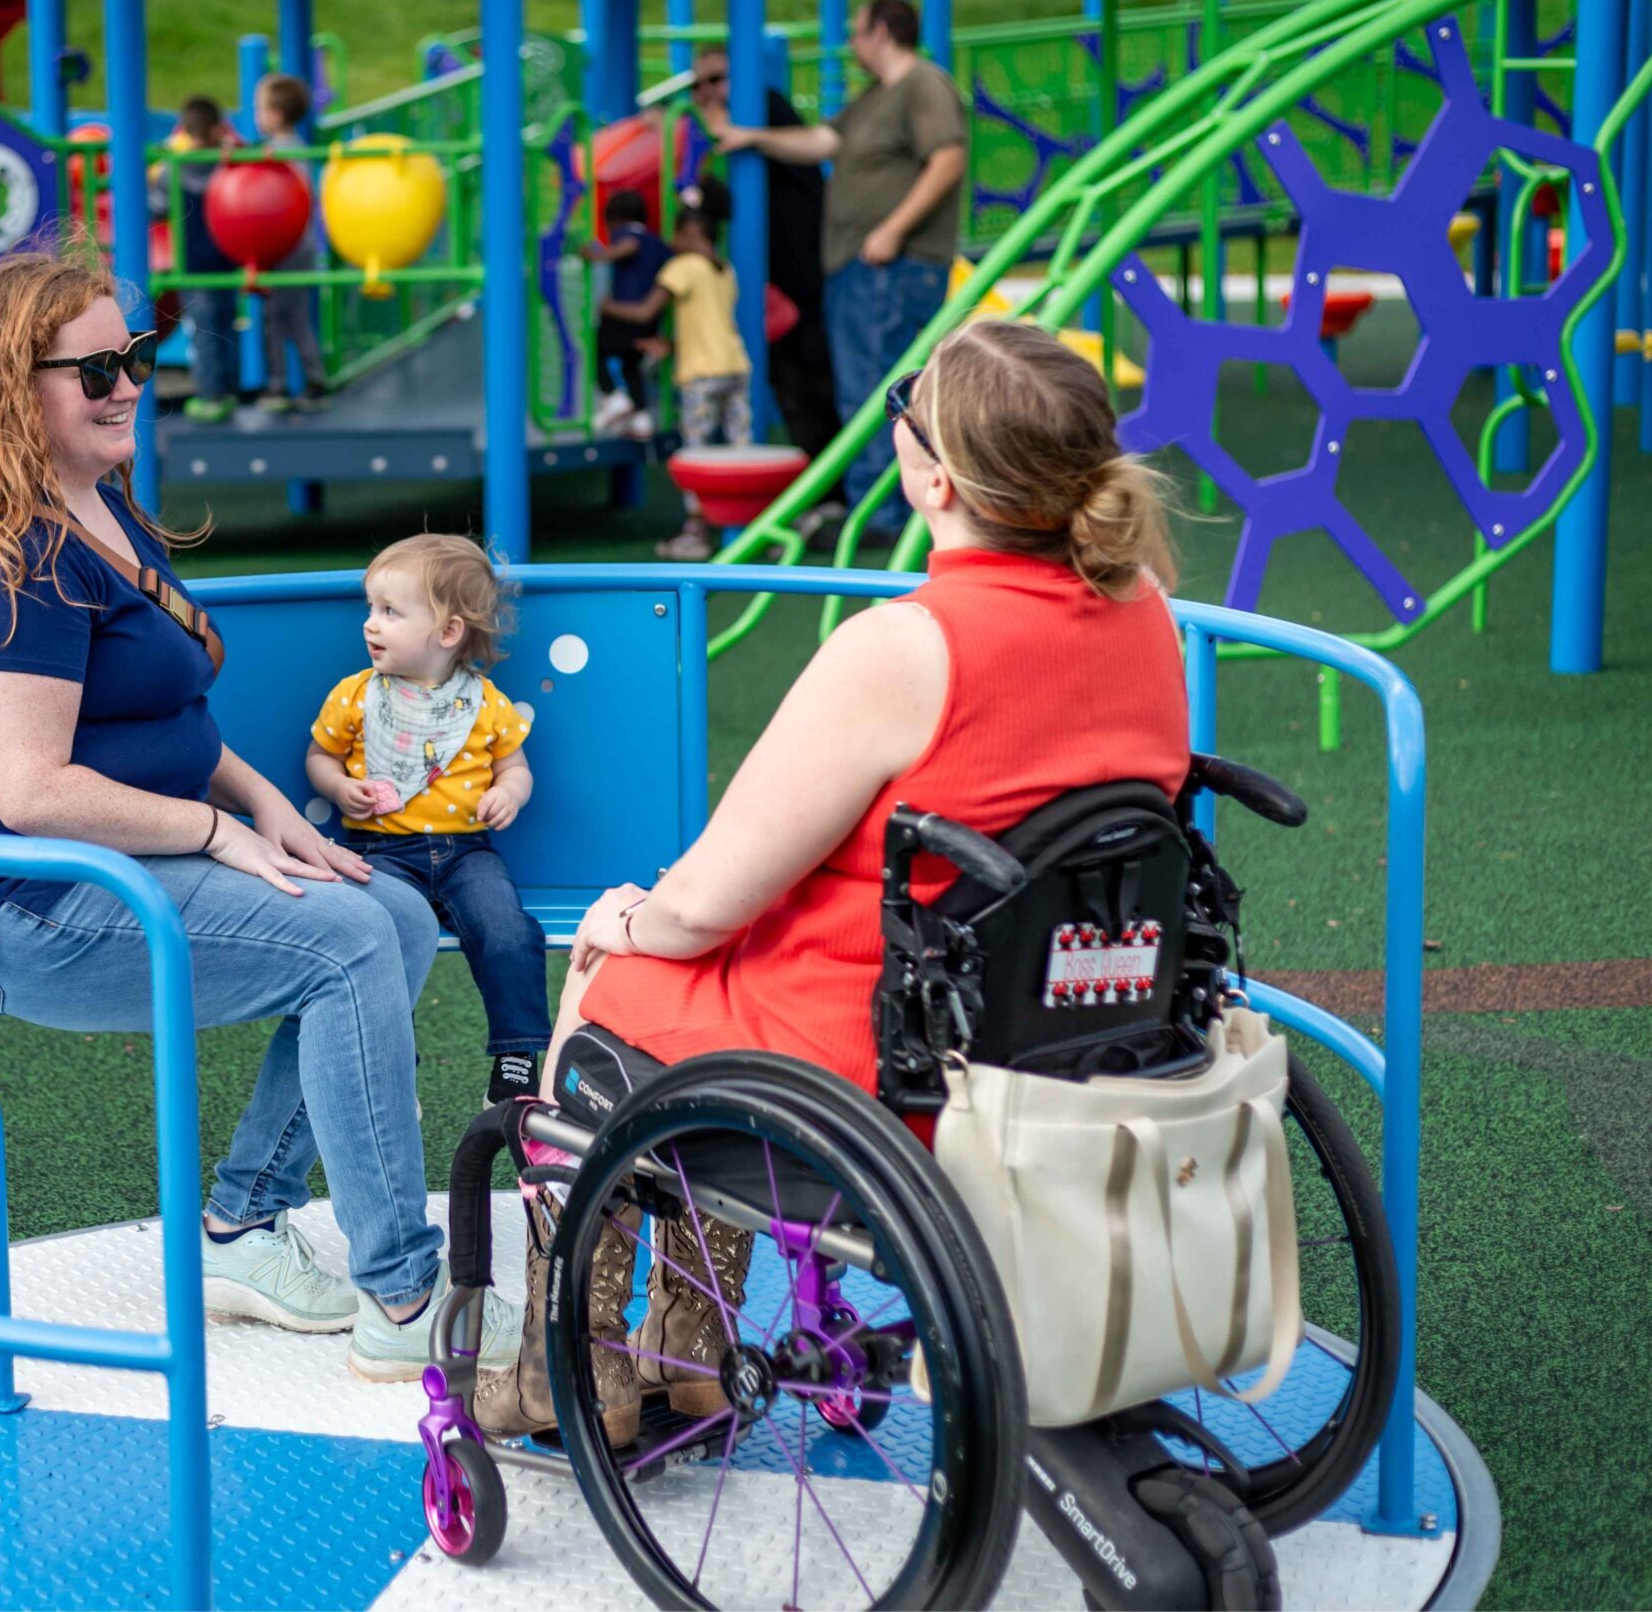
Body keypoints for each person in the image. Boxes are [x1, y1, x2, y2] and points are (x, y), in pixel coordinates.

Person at [472, 319, 1189, 1435]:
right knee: (712, 968)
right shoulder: (1141, 608)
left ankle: (581, 1369)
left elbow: (710, 898)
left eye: (910, 401)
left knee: (616, 977)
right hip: (1077, 1028)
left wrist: (624, 922)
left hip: (890, 1057)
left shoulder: (904, 647)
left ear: (932, 476)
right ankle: (687, 1343)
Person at [0, 240, 510, 1381]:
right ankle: (407, 1299)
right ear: (10, 390)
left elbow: (181, 729)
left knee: (397, 915)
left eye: (137, 355)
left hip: (103, 872)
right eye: (93, 370)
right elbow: (29, 793)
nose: (126, 384)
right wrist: (220, 834)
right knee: (347, 943)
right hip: (14, 909)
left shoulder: (102, 511)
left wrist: (275, 813)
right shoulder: (11, 562)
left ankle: (240, 1228)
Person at [701, 0, 966, 531]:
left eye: (858, 31)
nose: (852, 43)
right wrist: (752, 137)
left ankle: (886, 516)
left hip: (893, 266)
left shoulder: (923, 86)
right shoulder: (874, 98)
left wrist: (892, 229)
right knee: (863, 389)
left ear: (883, 32)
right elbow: (824, 140)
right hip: (859, 267)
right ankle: (881, 507)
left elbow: (949, 157)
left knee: (879, 390)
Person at [306, 536, 550, 1105]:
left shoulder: (485, 702)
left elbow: (516, 767)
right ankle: (394, 1058)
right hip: (382, 850)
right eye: (370, 608)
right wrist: (340, 788)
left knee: (508, 930)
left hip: (468, 852)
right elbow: (319, 757)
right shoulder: (357, 696)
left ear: (448, 632)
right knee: (380, 936)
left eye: (390, 612)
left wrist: (509, 794)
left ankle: (516, 1055)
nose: (371, 624)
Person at [686, 43, 841, 462]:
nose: (706, 92)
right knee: (791, 384)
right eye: (697, 85)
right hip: (775, 278)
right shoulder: (742, 136)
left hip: (802, 274)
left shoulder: (763, 108)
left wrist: (719, 123)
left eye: (717, 79)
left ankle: (837, 489)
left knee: (815, 381)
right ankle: (820, 485)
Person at [603, 206, 752, 561]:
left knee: (695, 452)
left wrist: (606, 306)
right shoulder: (725, 270)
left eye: (676, 233)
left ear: (691, 234)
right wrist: (669, 345)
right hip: (735, 365)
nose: (671, 241)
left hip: (701, 372)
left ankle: (696, 532)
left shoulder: (682, 267)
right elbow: (708, 323)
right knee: (741, 448)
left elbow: (643, 312)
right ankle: (750, 525)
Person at [251, 72, 329, 414]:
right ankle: (311, 378)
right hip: (300, 245)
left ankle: (280, 384)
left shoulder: (277, 154)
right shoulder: (298, 147)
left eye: (260, 109)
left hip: (287, 247)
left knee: (277, 318)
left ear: (276, 115)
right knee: (293, 316)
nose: (256, 116)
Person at [163, 96, 241, 423]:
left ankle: (210, 395)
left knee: (205, 332)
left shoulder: (173, 168)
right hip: (226, 259)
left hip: (192, 267)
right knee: (227, 325)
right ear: (216, 129)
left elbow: (156, 204)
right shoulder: (229, 165)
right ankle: (231, 389)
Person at [580, 187, 670, 439]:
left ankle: (612, 397)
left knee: (595, 351)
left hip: (623, 315)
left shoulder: (628, 236)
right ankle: (641, 419)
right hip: (650, 321)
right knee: (631, 365)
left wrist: (596, 255)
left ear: (615, 219)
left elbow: (628, 247)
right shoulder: (659, 242)